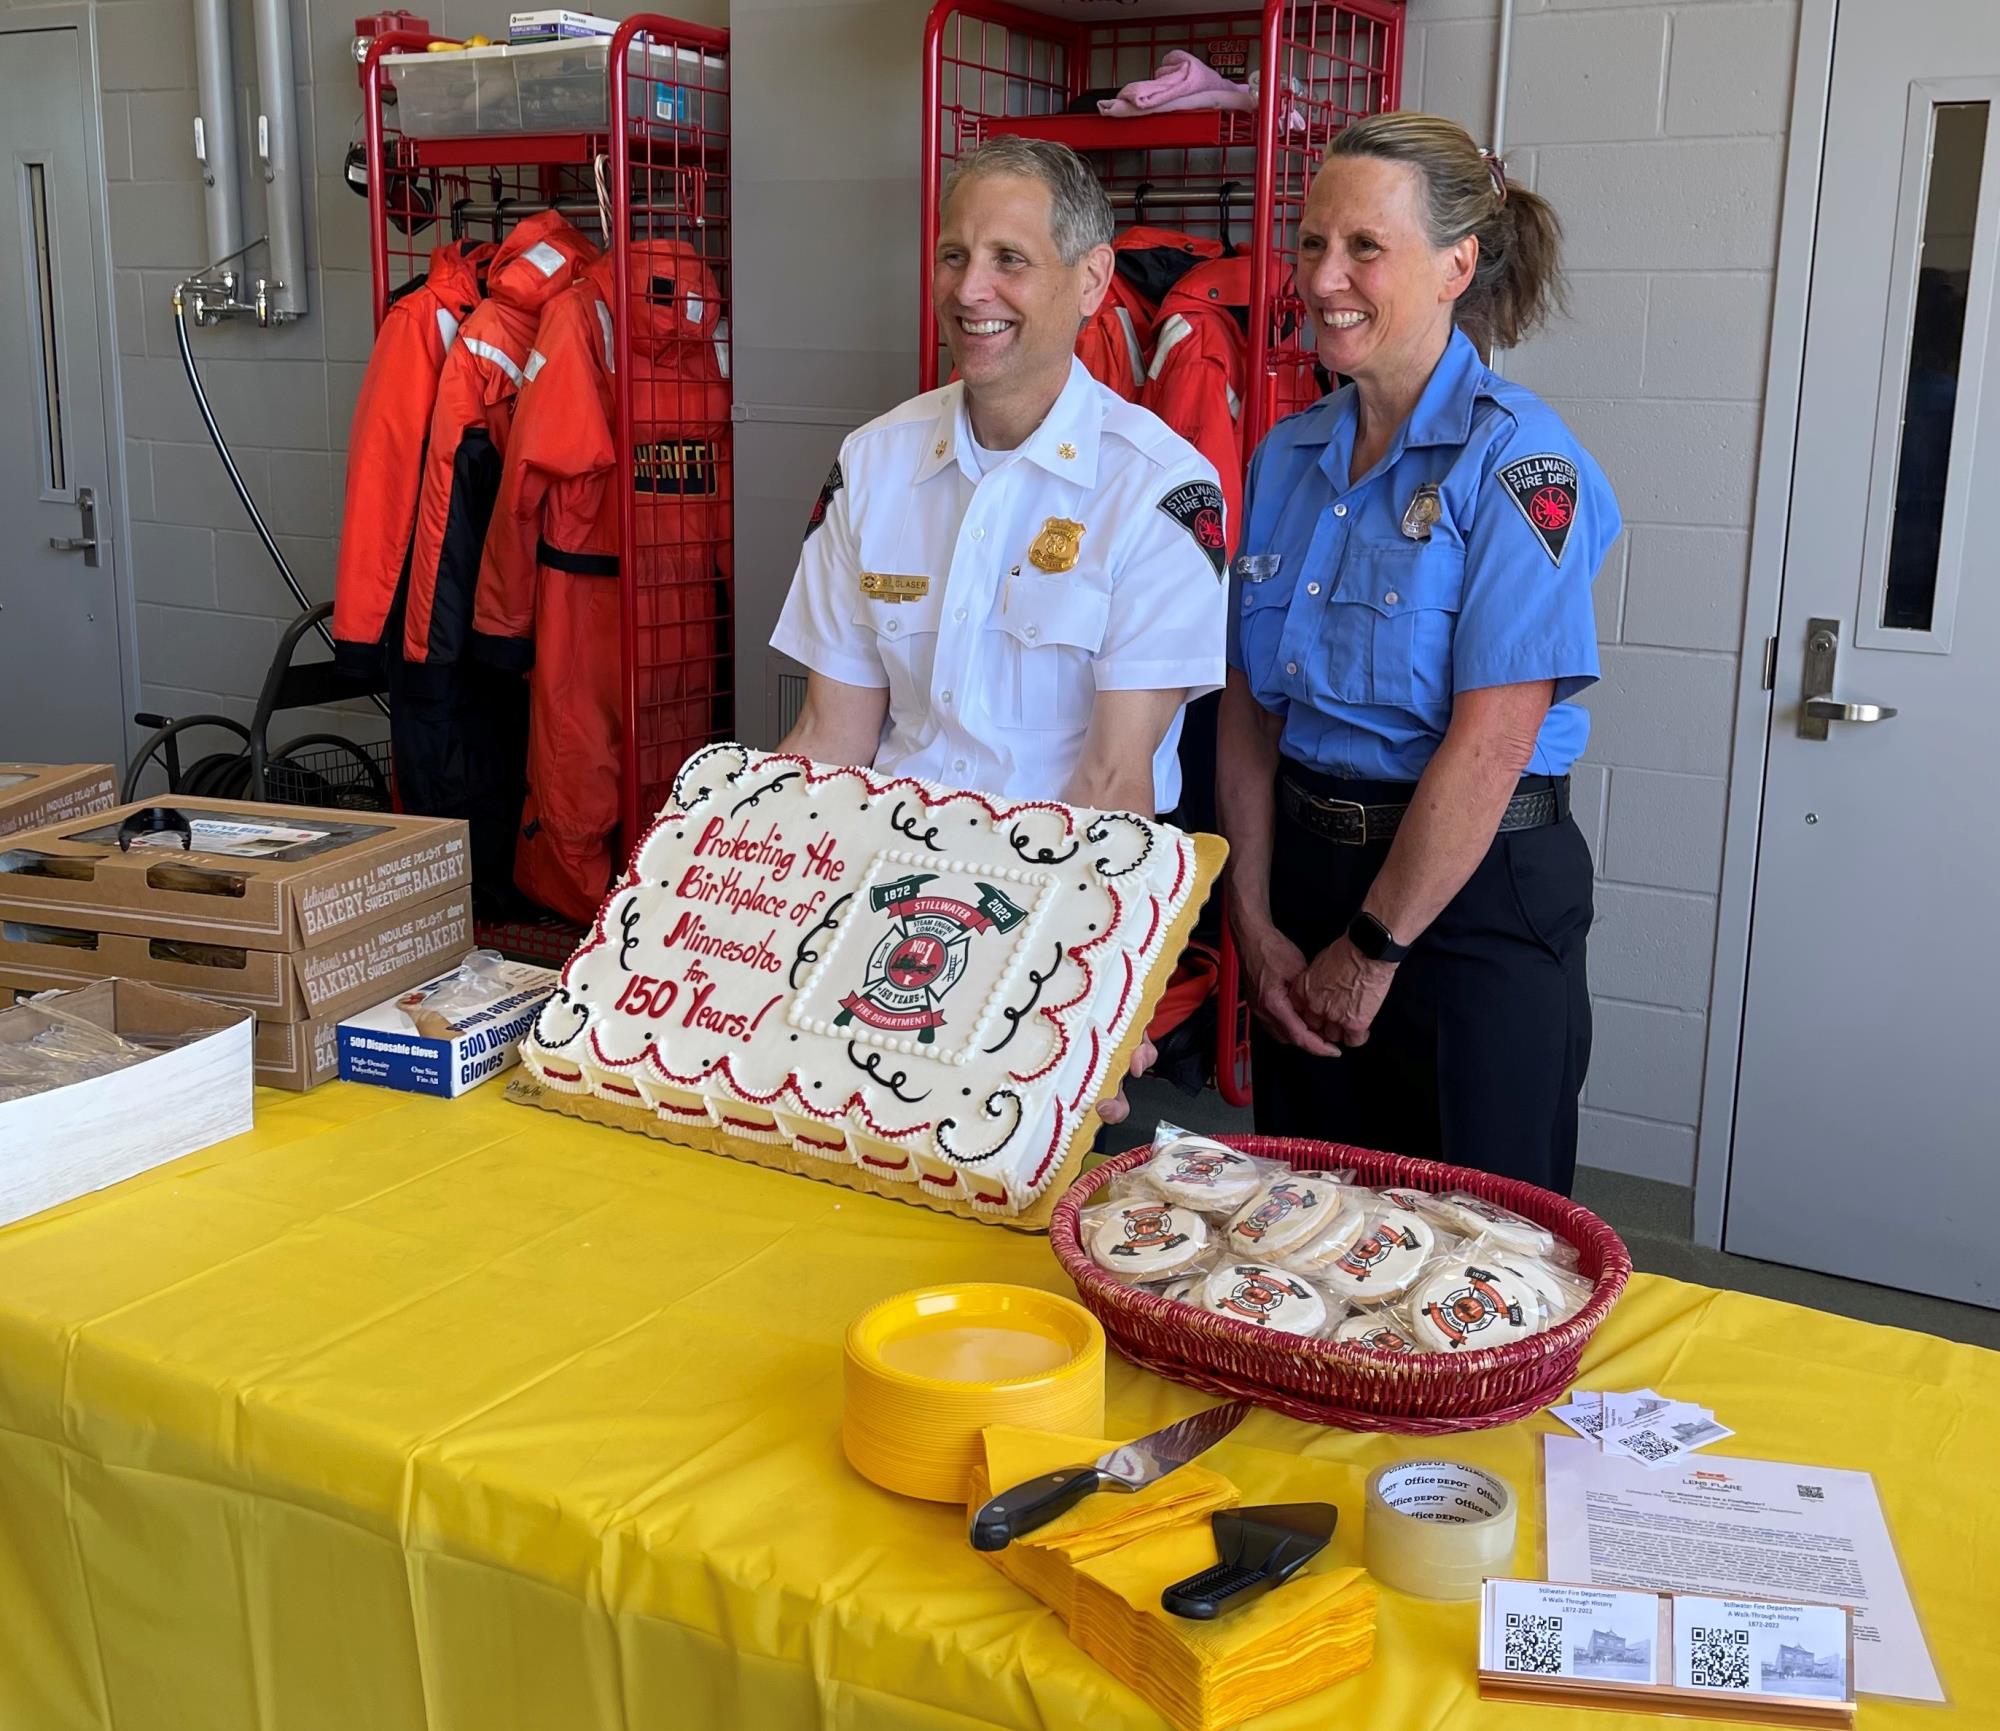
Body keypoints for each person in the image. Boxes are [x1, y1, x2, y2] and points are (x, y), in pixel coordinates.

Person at [771, 136, 1231, 1121]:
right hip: (875, 921)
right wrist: (755, 901)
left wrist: (1036, 1003)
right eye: (952, 255)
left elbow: (1111, 791)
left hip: (1039, 933)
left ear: (1091, 279)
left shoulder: (1159, 490)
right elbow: (829, 742)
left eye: (1008, 259)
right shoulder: (874, 464)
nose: (969, 288)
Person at [1217, 112, 1620, 1195]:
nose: (1323, 276)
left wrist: (1374, 948)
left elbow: (1493, 741)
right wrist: (1253, 923)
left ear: (1455, 266)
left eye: (1362, 247)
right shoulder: (1285, 458)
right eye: (1309, 243)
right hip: (1303, 885)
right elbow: (1249, 712)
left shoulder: (1519, 461)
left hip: (1467, 902)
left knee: (1480, 1259)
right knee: (1304, 1235)